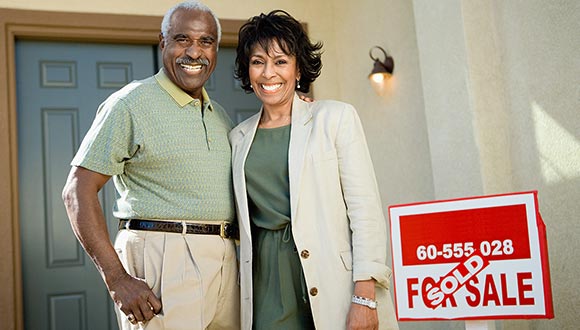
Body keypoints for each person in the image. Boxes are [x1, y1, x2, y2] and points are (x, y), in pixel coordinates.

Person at [61, 1, 240, 329]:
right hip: (164, 259)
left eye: (205, 42)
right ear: (163, 43)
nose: (194, 52)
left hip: (227, 264)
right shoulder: (131, 104)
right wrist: (117, 279)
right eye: (182, 39)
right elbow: (77, 191)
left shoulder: (222, 118)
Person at [230, 10, 399, 330]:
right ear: (247, 69)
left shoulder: (335, 119)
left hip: (334, 281)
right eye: (257, 61)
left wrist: (364, 295)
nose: (268, 73)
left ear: (297, 69)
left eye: (280, 61)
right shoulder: (237, 138)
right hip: (268, 285)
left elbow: (365, 211)